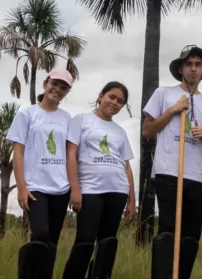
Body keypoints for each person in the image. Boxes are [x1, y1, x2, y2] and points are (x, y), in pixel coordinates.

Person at [144, 45, 202, 279]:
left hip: (197, 176)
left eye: (198, 65)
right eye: (188, 64)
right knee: (168, 232)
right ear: (180, 68)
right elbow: (147, 130)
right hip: (169, 172)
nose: (193, 69)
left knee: (190, 237)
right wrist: (173, 110)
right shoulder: (163, 94)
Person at [61, 82, 136, 279]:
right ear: (101, 96)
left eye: (120, 101)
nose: (115, 103)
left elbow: (126, 166)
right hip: (90, 189)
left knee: (107, 243)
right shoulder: (81, 121)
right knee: (85, 241)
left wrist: (132, 200)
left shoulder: (120, 131)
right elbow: (71, 155)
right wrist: (74, 188)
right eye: (112, 97)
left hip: (118, 190)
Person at [8, 68, 75, 279]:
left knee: (52, 241)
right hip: (35, 186)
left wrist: (74, 187)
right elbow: (17, 152)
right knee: (40, 234)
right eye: (55, 84)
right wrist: (21, 187)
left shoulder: (67, 118)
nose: (58, 90)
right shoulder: (27, 114)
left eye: (64, 88)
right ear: (46, 83)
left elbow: (70, 154)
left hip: (61, 187)